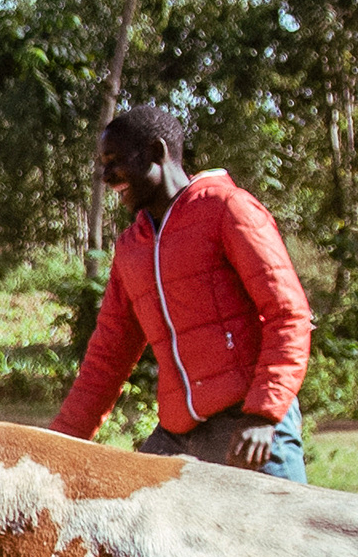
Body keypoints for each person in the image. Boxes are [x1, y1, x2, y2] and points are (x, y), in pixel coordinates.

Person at [52, 104, 314, 478]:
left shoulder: (228, 209)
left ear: (157, 152)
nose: (106, 176)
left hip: (250, 427)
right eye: (102, 164)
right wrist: (60, 442)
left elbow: (288, 314)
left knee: (285, 536)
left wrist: (262, 414)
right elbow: (107, 355)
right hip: (179, 434)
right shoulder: (132, 246)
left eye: (115, 160)